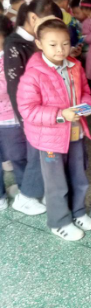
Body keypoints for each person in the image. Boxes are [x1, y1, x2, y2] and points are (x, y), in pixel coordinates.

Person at [17, 17, 91, 240]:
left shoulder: (75, 66)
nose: (60, 49)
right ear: (39, 44)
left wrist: (86, 105)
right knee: (56, 183)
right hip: (50, 139)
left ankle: (78, 211)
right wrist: (61, 115)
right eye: (52, 44)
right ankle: (59, 221)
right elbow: (28, 110)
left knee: (79, 176)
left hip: (75, 133)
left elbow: (85, 91)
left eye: (65, 43)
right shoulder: (34, 74)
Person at [5, 0, 63, 216]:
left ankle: (37, 190)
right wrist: (26, 119)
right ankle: (26, 197)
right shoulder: (15, 45)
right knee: (36, 156)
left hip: (46, 111)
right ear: (32, 18)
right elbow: (15, 88)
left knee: (42, 155)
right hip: (32, 114)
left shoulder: (36, 40)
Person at [0, 15, 22, 212]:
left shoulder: (9, 58)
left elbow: (7, 86)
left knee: (18, 157)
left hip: (9, 119)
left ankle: (26, 193)